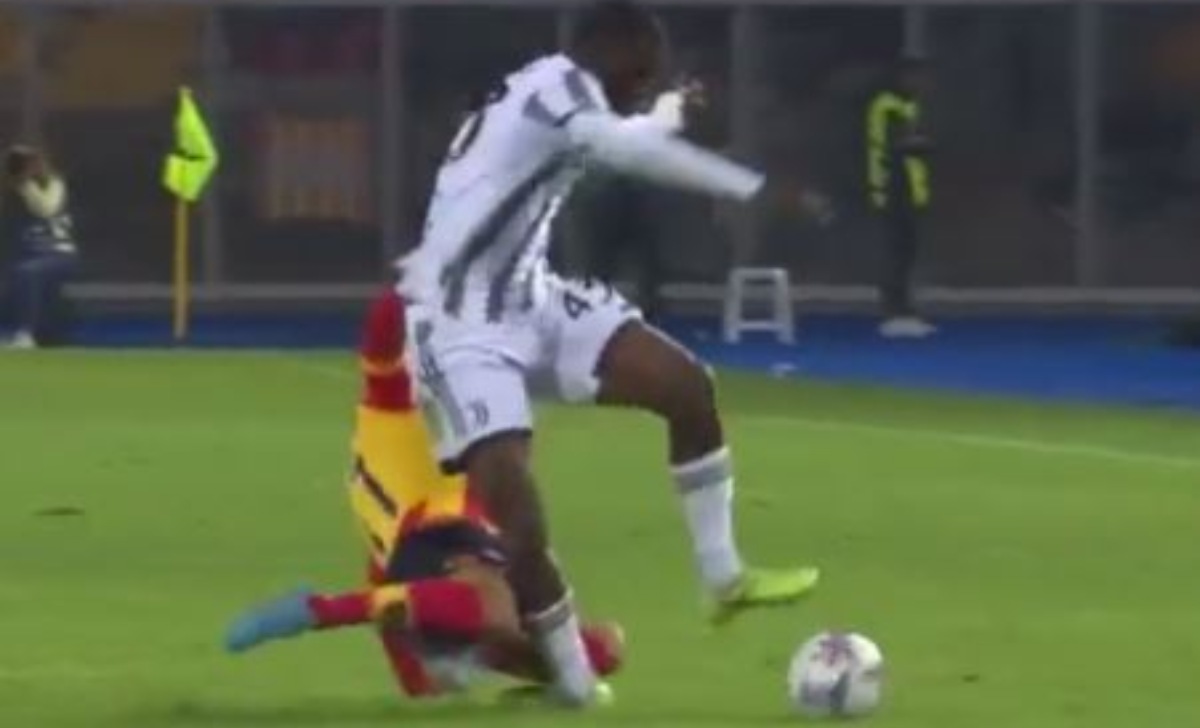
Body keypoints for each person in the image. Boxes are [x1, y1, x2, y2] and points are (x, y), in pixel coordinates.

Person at [397, 0, 822, 706]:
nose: (644, 83)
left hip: (532, 299)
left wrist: (669, 111)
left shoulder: (564, 94)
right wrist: (750, 187)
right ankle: (572, 683)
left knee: (686, 385)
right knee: (520, 517)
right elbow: (625, 150)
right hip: (460, 324)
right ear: (609, 49)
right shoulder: (558, 87)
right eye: (642, 71)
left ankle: (724, 576)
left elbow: (623, 136)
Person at [224, 290, 624, 699]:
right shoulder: (400, 417)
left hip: (434, 562)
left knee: (602, 649)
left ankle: (486, 659)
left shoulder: (451, 433)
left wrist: (412, 679)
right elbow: (383, 338)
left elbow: (380, 574)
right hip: (436, 541)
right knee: (502, 613)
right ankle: (327, 612)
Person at [865, 56, 935, 339]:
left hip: (910, 190)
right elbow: (894, 145)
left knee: (908, 251)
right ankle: (892, 311)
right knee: (895, 252)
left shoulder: (911, 106)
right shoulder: (887, 106)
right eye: (915, 76)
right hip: (891, 188)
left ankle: (905, 308)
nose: (921, 83)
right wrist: (921, 145)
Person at [1, 146, 78, 349]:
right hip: (29, 256)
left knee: (27, 273)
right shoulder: (11, 197)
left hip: (58, 254)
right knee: (21, 273)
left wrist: (25, 184)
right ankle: (36, 334)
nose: (30, 169)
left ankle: (25, 333)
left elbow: (45, 209)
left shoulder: (53, 188)